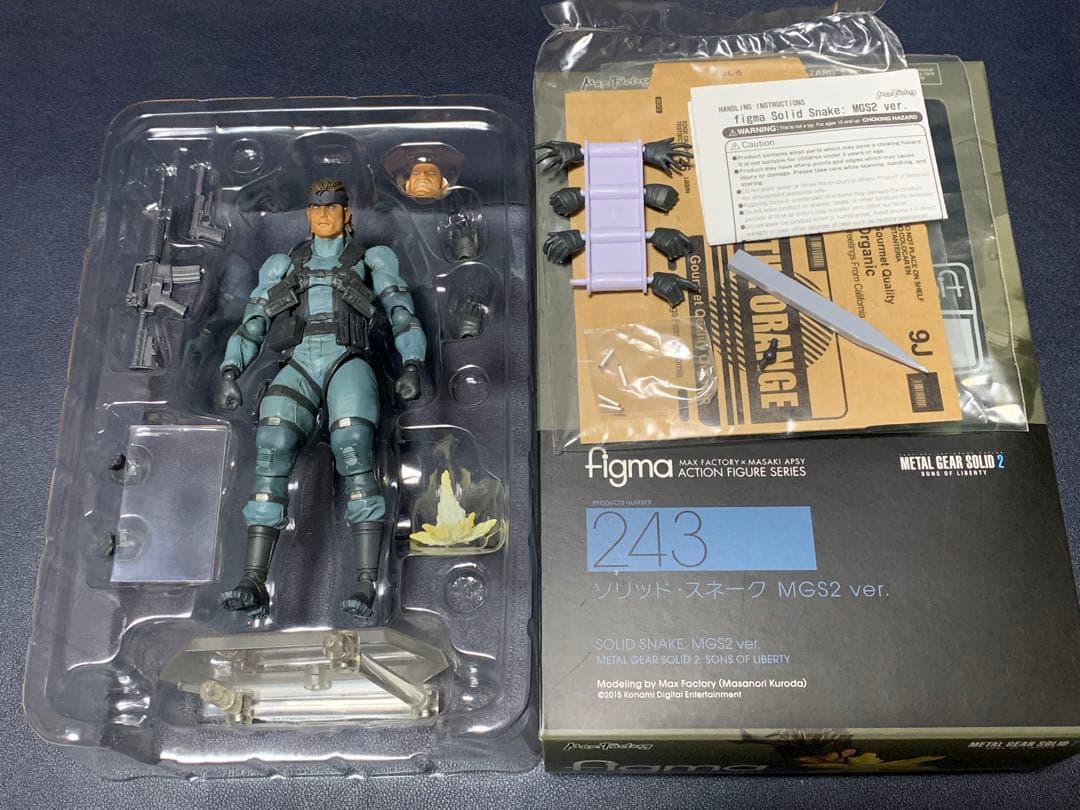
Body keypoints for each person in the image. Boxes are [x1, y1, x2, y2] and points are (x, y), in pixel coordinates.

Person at [214, 177, 426, 620]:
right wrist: (232, 369)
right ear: (308, 214)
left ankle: (365, 583)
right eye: (316, 208)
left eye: (332, 207)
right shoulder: (282, 265)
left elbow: (400, 310)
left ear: (346, 214)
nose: (324, 215)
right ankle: (253, 579)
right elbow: (254, 319)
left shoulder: (371, 259)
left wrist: (411, 361)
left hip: (347, 358)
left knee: (353, 445)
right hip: (299, 360)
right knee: (272, 443)